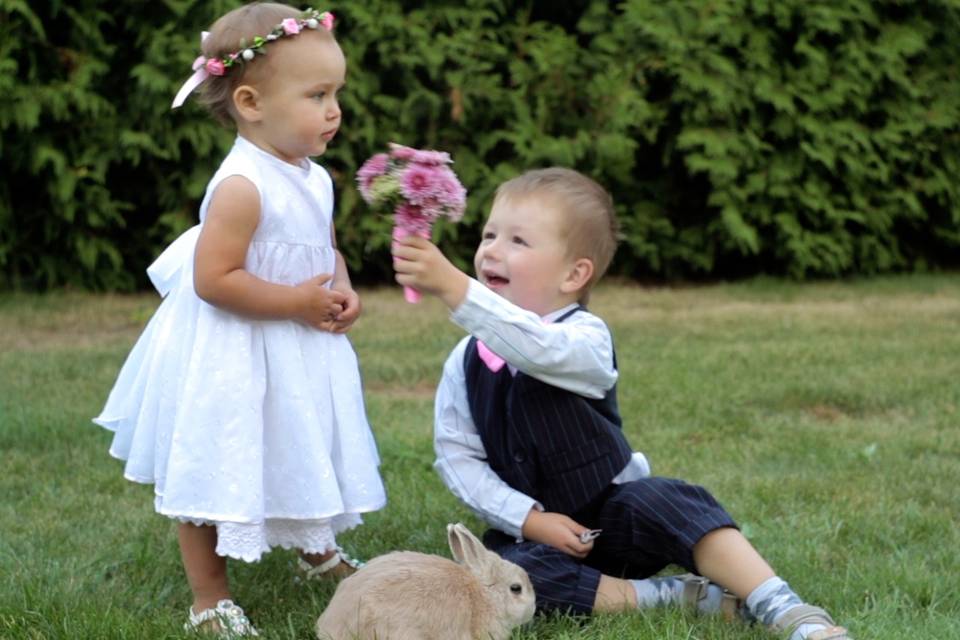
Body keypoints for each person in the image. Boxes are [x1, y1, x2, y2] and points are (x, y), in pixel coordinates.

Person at [391, 167, 853, 640]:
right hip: (535, 534)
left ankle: (782, 604)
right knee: (505, 578)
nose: (491, 249)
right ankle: (671, 596)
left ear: (575, 274)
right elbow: (456, 456)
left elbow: (535, 348)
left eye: (517, 241)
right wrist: (528, 519)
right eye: (489, 234)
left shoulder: (585, 338)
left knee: (670, 501)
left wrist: (454, 287)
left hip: (616, 512)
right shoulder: (463, 361)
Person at [93, 4, 386, 636]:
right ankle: (209, 595)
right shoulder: (242, 186)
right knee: (218, 459)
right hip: (234, 351)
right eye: (317, 95)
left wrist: (342, 287)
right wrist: (297, 304)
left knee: (299, 444)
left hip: (296, 349)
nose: (334, 110)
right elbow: (215, 279)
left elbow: (323, 247)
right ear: (251, 102)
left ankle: (318, 551)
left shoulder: (316, 176)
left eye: (337, 93)